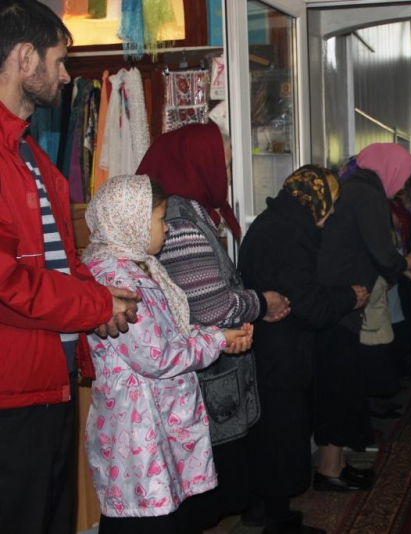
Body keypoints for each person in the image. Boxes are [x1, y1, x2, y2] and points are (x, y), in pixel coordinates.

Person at [0, 2, 140, 532]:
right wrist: (96, 304)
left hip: (48, 381)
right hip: (12, 393)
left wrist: (102, 302)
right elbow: (7, 284)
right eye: (59, 61)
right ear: (24, 58)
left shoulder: (29, 153)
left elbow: (60, 259)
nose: (65, 76)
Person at [136, 122, 288, 530]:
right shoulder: (180, 219)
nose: (227, 174)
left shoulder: (188, 211)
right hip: (204, 385)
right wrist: (261, 302)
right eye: (223, 164)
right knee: (201, 500)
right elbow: (212, 308)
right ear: (197, 163)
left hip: (209, 376)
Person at [82, 175, 253, 532]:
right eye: (160, 219)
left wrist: (218, 336)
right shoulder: (115, 278)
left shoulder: (138, 265)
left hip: (157, 418)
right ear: (132, 221)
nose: (167, 228)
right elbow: (157, 356)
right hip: (136, 426)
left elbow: (171, 331)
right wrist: (216, 340)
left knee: (168, 514)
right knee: (143, 519)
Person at [238, 165, 368, 533]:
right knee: (282, 435)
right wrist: (350, 298)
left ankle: (260, 508)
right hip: (281, 351)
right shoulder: (291, 233)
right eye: (331, 202)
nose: (332, 211)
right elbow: (309, 306)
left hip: (266, 346)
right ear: (316, 198)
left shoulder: (274, 220)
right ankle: (278, 519)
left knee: (268, 433)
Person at [315, 143, 411, 491]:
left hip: (339, 299)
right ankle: (329, 471)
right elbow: (382, 252)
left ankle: (337, 464)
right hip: (341, 302)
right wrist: (408, 264)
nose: (403, 184)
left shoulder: (356, 186)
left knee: (342, 386)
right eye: (403, 176)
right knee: (339, 388)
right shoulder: (367, 194)